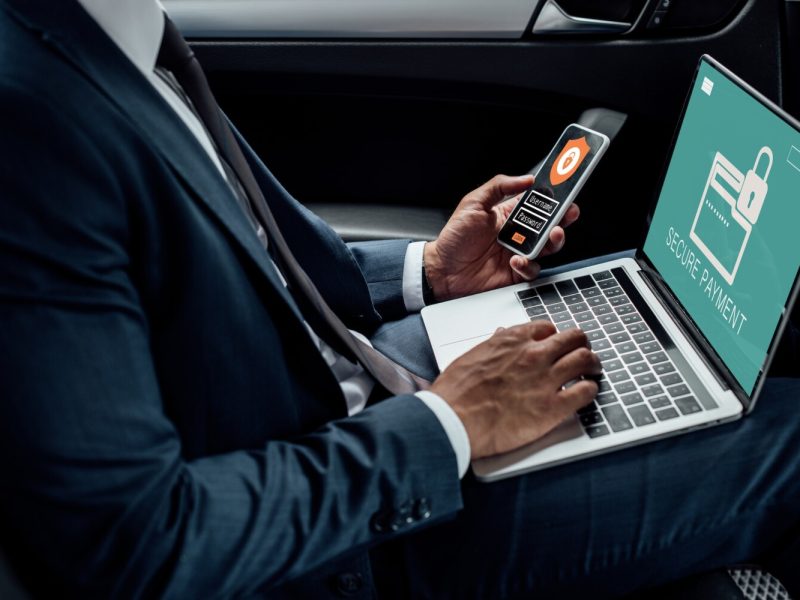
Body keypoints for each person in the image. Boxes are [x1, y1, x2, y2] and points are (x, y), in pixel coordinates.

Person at [0, 0, 798, 598]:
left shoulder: (116, 29)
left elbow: (257, 264)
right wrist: (452, 421)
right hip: (344, 533)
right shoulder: (31, 118)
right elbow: (134, 548)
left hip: (361, 388)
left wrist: (428, 276)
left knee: (655, 311)